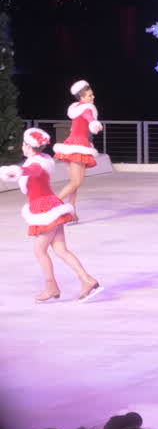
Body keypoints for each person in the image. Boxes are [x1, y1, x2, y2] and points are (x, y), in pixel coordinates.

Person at [1, 128, 102, 303]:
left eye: (24, 144)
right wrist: (18, 171)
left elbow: (31, 171)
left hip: (44, 210)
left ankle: (52, 287)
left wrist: (17, 171)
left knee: (39, 250)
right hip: (52, 205)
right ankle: (87, 279)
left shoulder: (37, 163)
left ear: (29, 146)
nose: (22, 147)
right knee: (60, 250)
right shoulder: (41, 159)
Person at [53, 80, 103, 218]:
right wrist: (94, 123)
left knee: (74, 182)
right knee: (76, 182)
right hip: (78, 145)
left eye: (92, 95)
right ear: (82, 97)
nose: (93, 97)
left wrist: (92, 122)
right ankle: (52, 205)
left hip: (73, 143)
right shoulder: (86, 108)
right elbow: (88, 117)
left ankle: (72, 211)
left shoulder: (78, 107)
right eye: (89, 96)